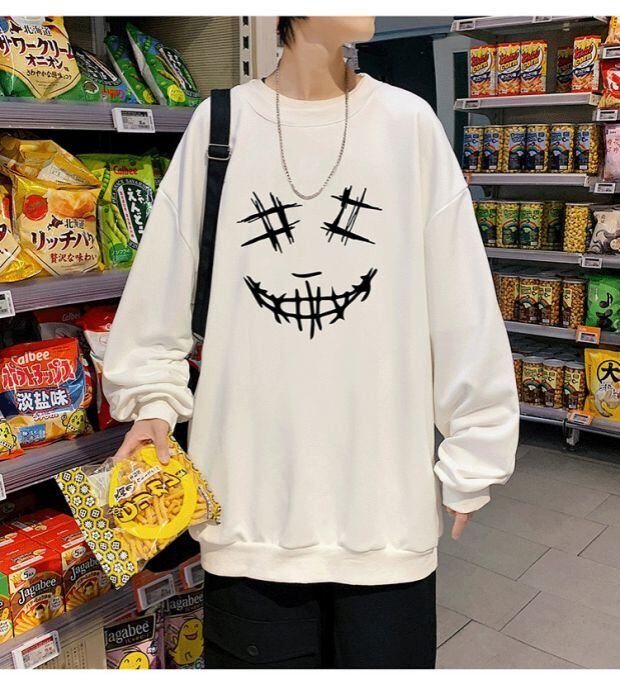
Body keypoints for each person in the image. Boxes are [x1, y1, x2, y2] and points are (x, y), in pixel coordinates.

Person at [102, 16, 519, 669]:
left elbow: (462, 304)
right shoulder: (219, 127)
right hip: (249, 519)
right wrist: (152, 403)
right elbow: (159, 291)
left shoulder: (409, 126)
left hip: (385, 522)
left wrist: (476, 447)